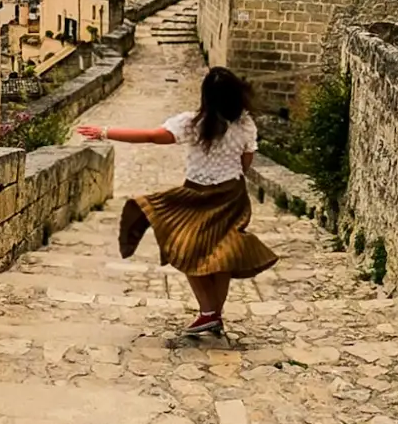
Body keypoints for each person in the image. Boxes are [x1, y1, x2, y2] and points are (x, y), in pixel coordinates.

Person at [77, 66, 275, 337]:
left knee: (181, 247)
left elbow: (149, 136)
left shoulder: (192, 124)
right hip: (232, 197)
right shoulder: (245, 125)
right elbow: (246, 163)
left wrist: (104, 131)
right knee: (223, 255)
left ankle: (208, 312)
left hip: (196, 195)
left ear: (206, 95)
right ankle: (214, 313)